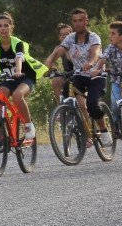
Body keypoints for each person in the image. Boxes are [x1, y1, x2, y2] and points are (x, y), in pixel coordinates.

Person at [0, 11, 48, 142]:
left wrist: (18, 70)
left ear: (11, 27)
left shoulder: (17, 43)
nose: (3, 29)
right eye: (0, 26)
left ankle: (29, 126)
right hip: (8, 78)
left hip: (25, 77)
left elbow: (19, 58)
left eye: (6, 25)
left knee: (18, 96)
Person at [45, 8, 107, 143]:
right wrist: (49, 61)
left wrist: (90, 63)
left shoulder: (94, 37)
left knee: (92, 105)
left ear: (86, 21)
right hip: (79, 76)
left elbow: (95, 53)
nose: (78, 23)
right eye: (75, 21)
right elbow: (58, 51)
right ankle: (87, 133)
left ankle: (103, 130)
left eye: (81, 20)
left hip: (95, 75)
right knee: (80, 104)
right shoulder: (70, 39)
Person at [47, 23, 73, 101]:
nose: (65, 37)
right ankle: (60, 107)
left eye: (67, 34)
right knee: (56, 81)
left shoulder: (77, 46)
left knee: (81, 103)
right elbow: (50, 61)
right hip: (67, 74)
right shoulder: (58, 48)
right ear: (59, 37)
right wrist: (50, 69)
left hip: (81, 73)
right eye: (62, 35)